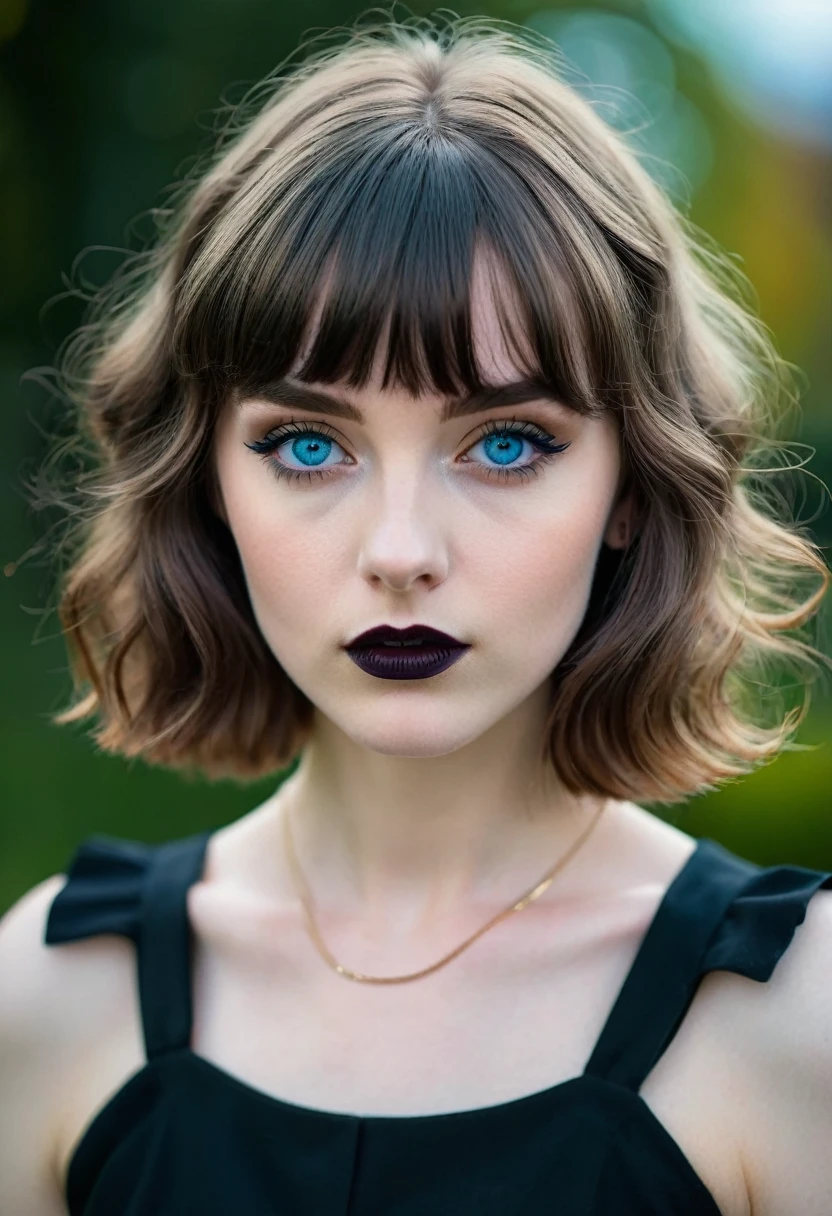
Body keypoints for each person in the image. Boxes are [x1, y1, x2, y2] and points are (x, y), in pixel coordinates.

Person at [1, 16, 830, 1216]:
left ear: (631, 488)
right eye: (305, 443)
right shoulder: (51, 997)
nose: (400, 553)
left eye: (504, 443)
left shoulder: (790, 1025)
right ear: (206, 482)